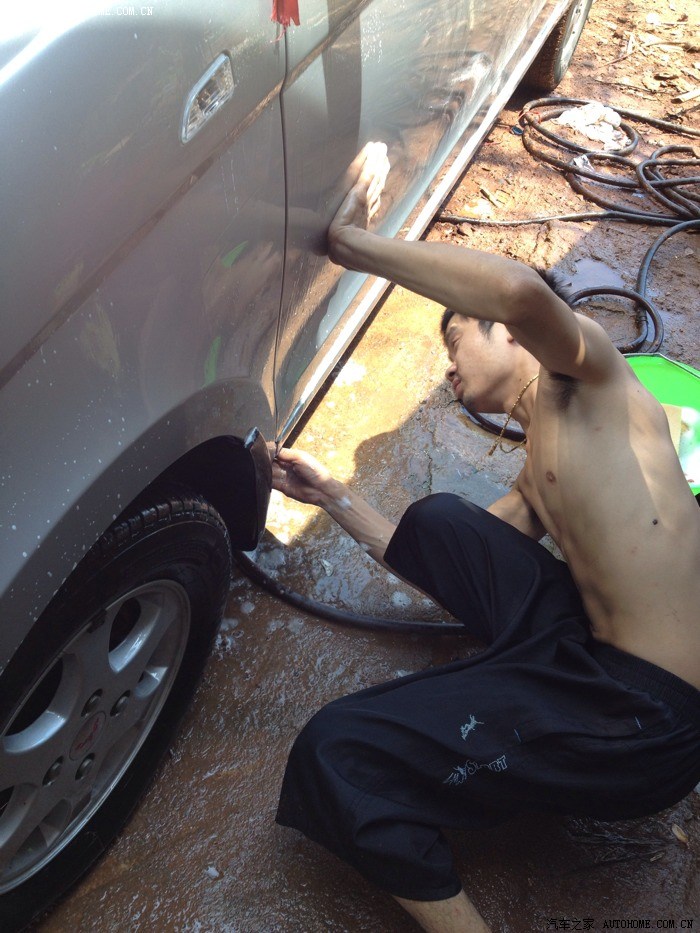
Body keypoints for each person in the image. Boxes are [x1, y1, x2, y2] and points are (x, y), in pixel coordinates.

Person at [271, 143, 700, 932]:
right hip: (601, 667)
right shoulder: (540, 468)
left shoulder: (590, 377)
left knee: (338, 750)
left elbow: (515, 287)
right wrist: (331, 495)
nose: (448, 369)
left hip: (645, 720)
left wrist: (350, 244)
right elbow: (435, 556)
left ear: (509, 334)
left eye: (454, 340)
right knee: (441, 518)